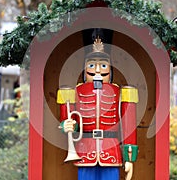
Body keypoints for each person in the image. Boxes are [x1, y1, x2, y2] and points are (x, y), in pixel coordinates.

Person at [57, 32, 138, 180]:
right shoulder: (75, 91)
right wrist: (67, 125)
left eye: (103, 65)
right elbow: (68, 121)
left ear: (110, 69)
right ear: (85, 68)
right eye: (92, 65)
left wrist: (129, 157)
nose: (98, 70)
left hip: (111, 149)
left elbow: (129, 127)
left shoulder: (121, 92)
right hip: (85, 150)